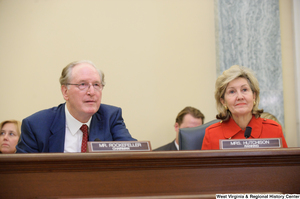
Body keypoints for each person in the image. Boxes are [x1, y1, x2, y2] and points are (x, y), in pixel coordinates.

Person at [16, 60, 136, 153]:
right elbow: (23, 174)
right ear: (65, 92)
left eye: (96, 85)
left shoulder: (110, 117)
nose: (92, 92)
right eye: (83, 84)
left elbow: (132, 154)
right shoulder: (36, 125)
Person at [202, 65, 288, 150]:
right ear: (223, 101)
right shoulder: (212, 134)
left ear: (254, 96)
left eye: (244, 90)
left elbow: (285, 163)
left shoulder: (273, 130)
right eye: (232, 91)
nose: (240, 97)